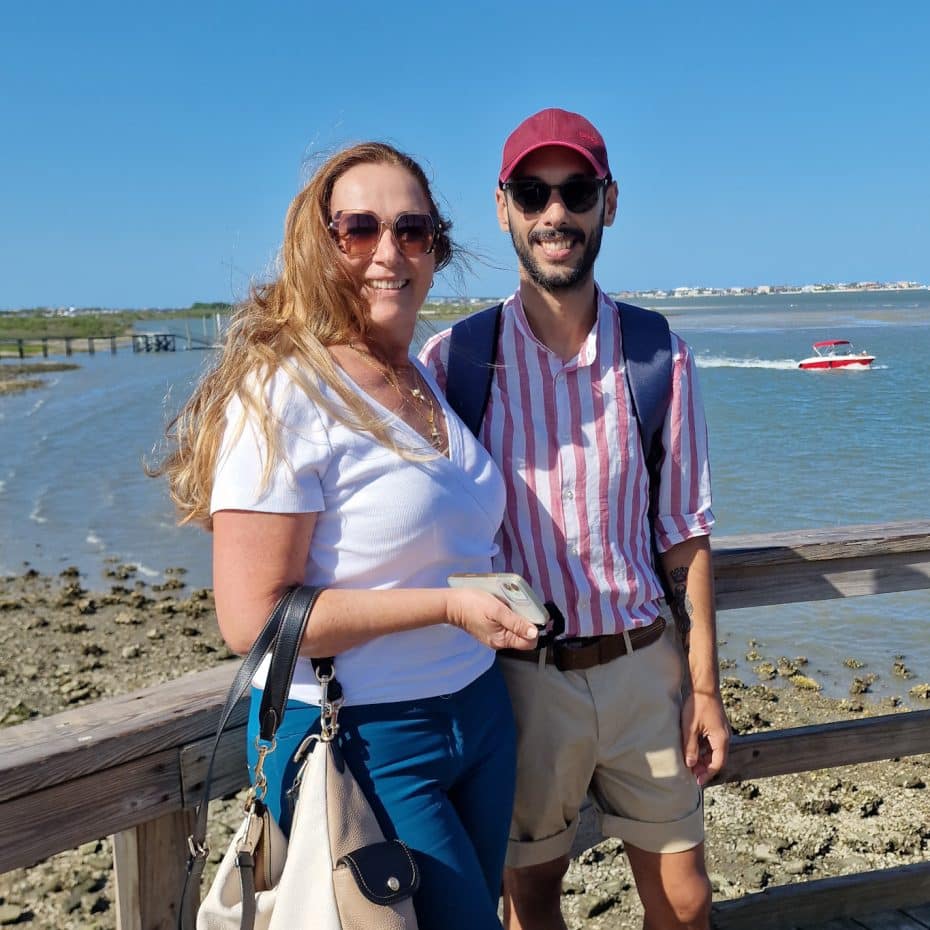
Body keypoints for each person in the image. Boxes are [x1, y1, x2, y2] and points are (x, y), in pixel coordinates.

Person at [156, 141, 540, 930]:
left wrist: (475, 601)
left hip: (477, 711)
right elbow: (253, 620)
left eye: (412, 229)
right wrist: (445, 607)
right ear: (319, 246)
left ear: (438, 249)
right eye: (358, 229)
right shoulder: (285, 390)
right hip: (360, 737)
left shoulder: (419, 375)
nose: (388, 253)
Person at [420, 109, 731, 930]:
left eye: (576, 191)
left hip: (643, 671)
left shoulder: (658, 353)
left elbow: (684, 533)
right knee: (532, 902)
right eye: (533, 192)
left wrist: (705, 688)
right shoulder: (454, 361)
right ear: (504, 208)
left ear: (609, 203)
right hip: (522, 683)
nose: (555, 212)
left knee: (685, 900)